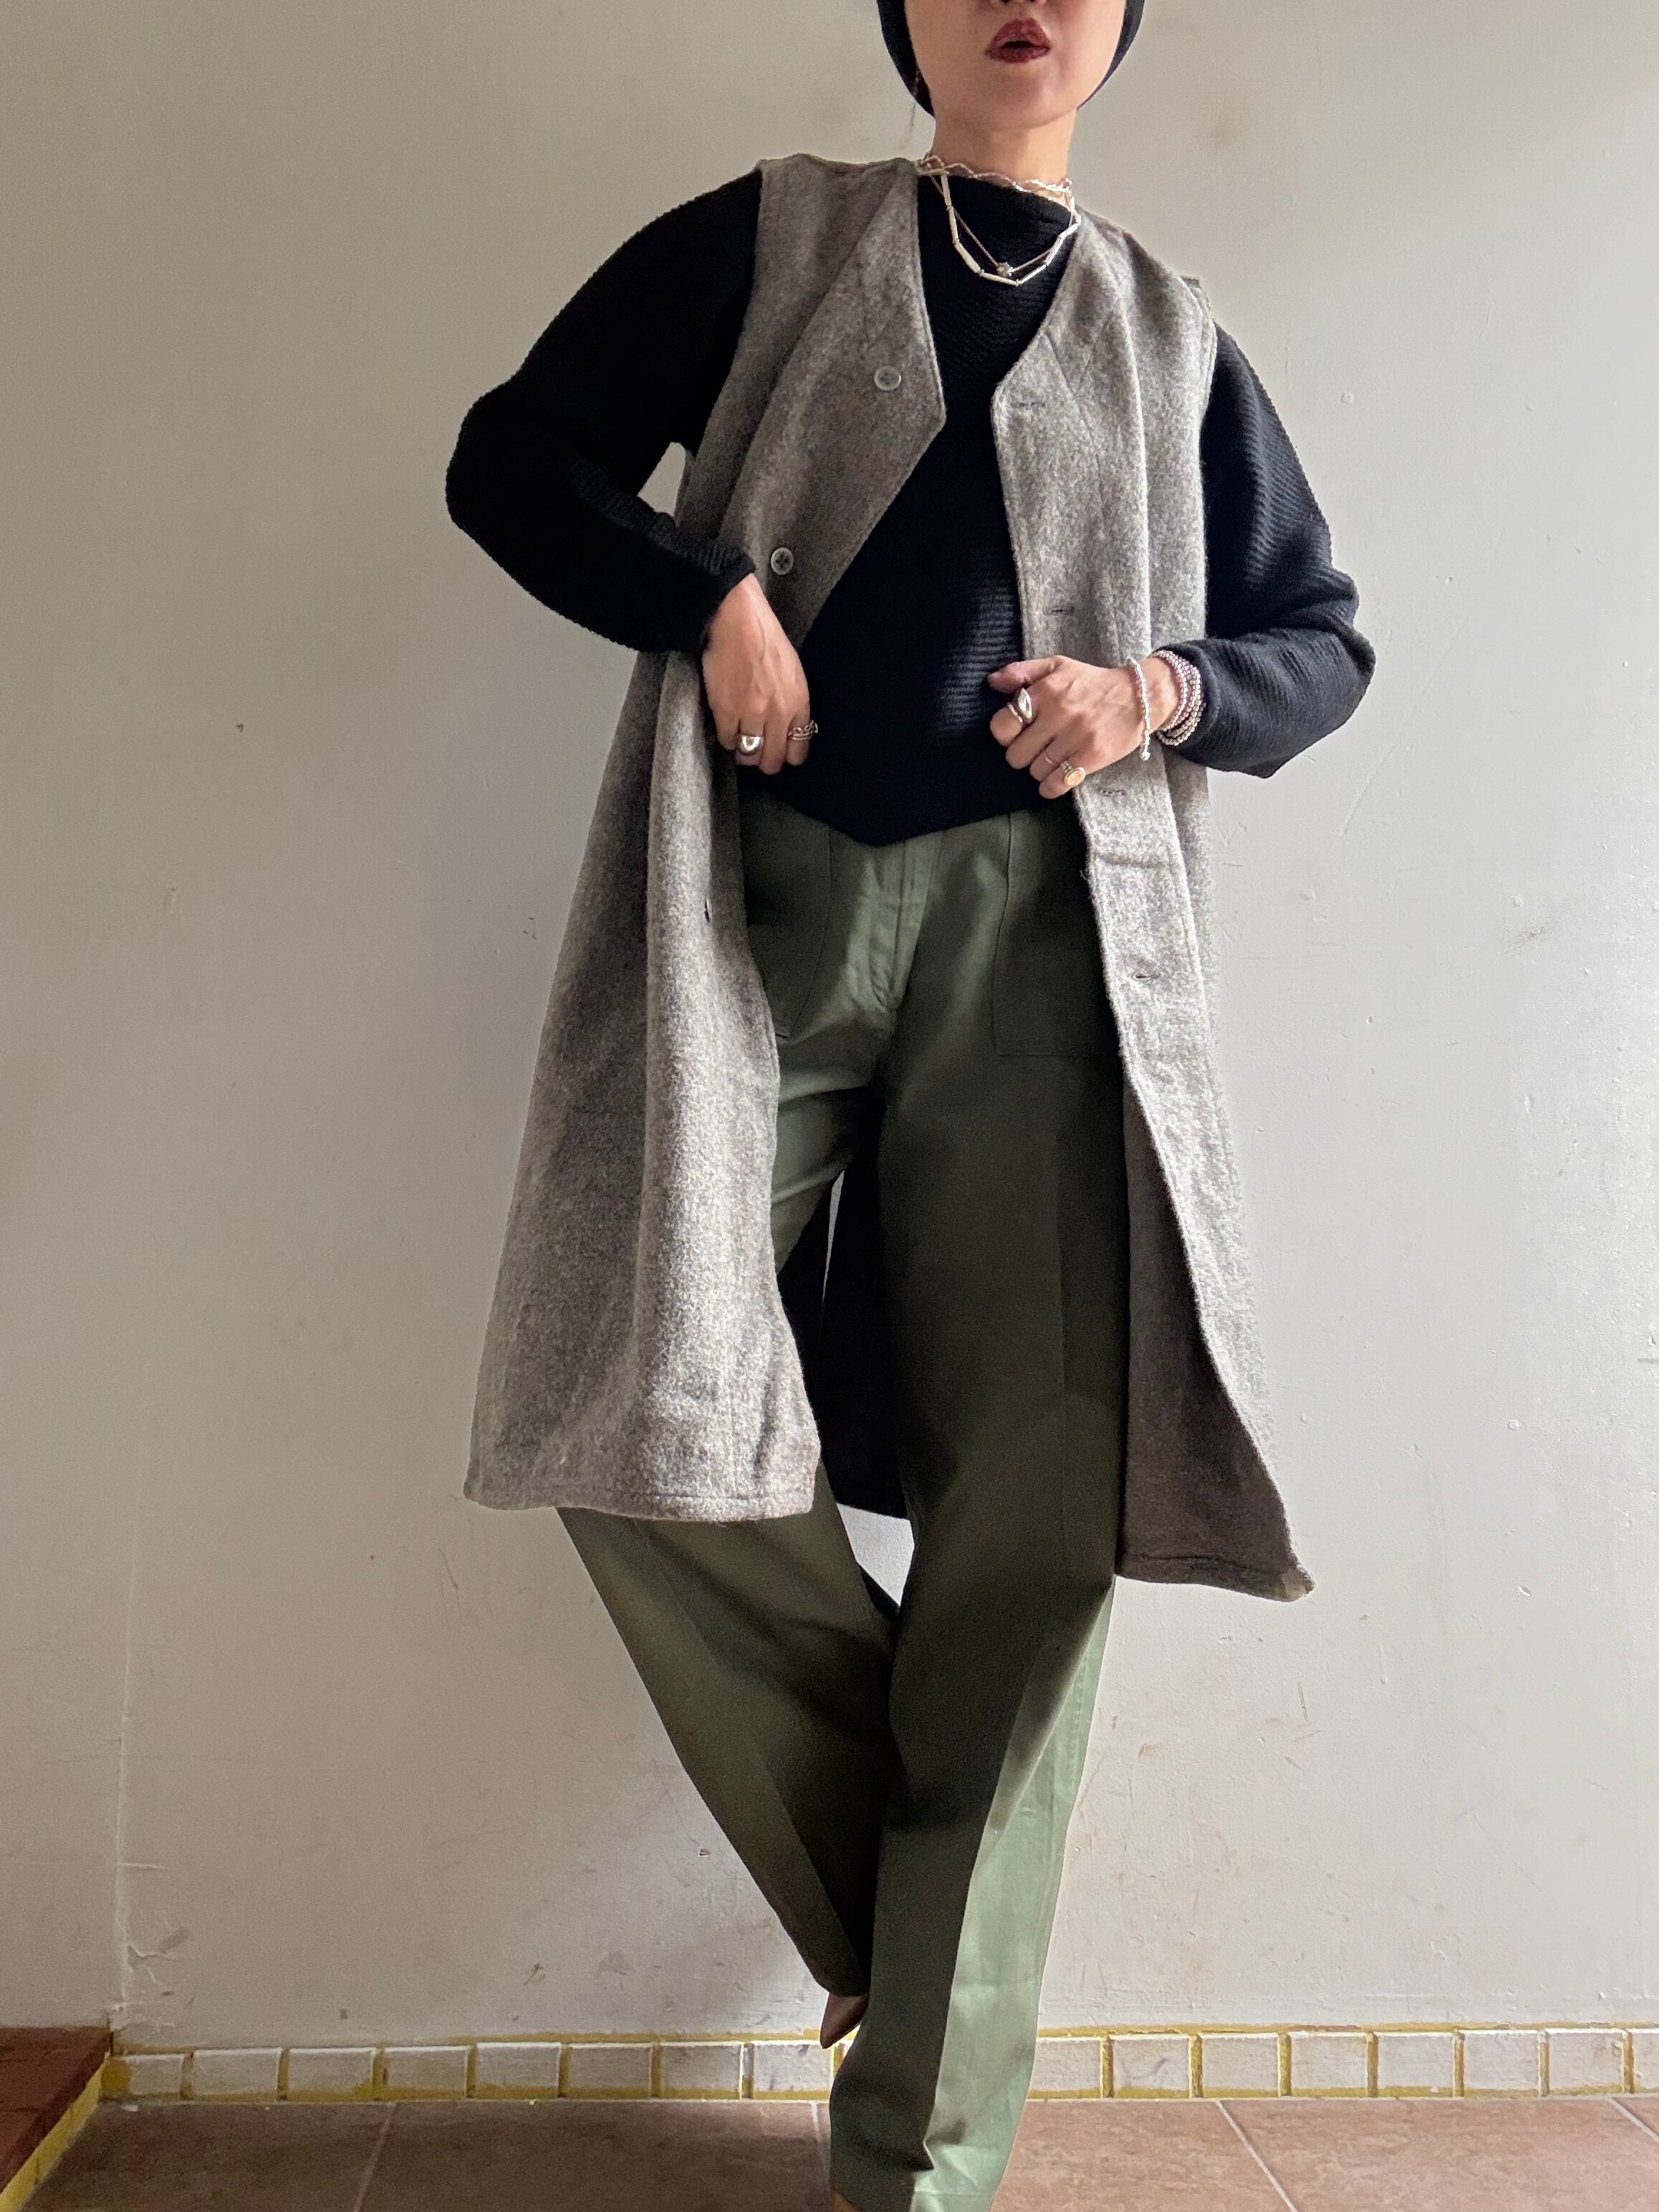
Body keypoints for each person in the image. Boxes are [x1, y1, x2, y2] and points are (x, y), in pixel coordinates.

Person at [446, 3, 1375, 2206]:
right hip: (748, 908)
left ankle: (920, 2163)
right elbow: (514, 463)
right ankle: (920, 1913)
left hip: (1051, 940)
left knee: (1034, 1510)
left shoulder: (1171, 333)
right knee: (632, 1402)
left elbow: (1317, 643)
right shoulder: (764, 241)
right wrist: (707, 597)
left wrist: (1154, 689)